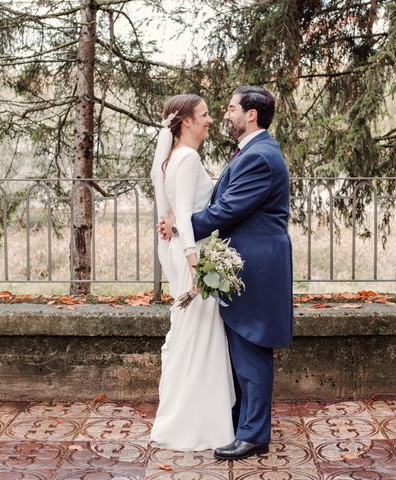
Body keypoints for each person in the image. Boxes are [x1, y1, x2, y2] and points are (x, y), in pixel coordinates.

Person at [160, 86, 294, 460]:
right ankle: (243, 424)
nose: (225, 114)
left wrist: (182, 228)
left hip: (257, 264)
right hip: (248, 260)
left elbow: (226, 211)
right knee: (242, 345)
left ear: (251, 115)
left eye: (232, 108)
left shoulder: (260, 156)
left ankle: (253, 434)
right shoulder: (252, 151)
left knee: (252, 347)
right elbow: (222, 201)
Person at [149, 94, 235, 451]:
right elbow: (183, 214)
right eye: (204, 114)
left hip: (186, 251)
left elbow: (171, 215)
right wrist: (194, 264)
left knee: (193, 336)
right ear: (185, 122)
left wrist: (172, 228)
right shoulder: (187, 158)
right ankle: (195, 424)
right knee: (198, 339)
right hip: (193, 259)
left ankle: (196, 419)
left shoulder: (170, 160)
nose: (210, 119)